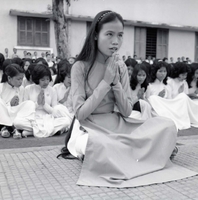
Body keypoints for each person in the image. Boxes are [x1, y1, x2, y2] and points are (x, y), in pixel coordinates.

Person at [67, 10, 196, 188]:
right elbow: (80, 114)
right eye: (109, 34)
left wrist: (116, 82)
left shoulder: (119, 65)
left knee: (167, 125)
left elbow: (127, 111)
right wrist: (105, 82)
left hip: (117, 123)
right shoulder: (80, 67)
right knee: (102, 144)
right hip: (88, 127)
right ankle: (148, 153)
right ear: (96, 35)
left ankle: (137, 152)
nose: (115, 41)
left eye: (120, 35)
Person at [15, 64, 71, 138]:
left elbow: (54, 111)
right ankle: (50, 131)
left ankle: (31, 131)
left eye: (47, 79)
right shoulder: (28, 89)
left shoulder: (52, 90)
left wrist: (44, 104)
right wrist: (37, 103)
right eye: (43, 80)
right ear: (37, 79)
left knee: (66, 121)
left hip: (48, 118)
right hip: (33, 118)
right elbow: (25, 110)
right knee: (17, 122)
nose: (46, 82)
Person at [146, 61, 198, 130]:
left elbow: (170, 101)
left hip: (169, 107)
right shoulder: (150, 85)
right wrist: (158, 98)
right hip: (156, 109)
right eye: (160, 71)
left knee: (183, 97)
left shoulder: (166, 85)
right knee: (153, 98)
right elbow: (148, 100)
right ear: (155, 72)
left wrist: (180, 94)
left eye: (164, 71)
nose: (163, 74)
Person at [0, 64, 35, 138]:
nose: (21, 82)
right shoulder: (1, 87)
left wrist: (16, 105)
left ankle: (10, 128)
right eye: (18, 79)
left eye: (22, 79)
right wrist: (10, 104)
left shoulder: (21, 88)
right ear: (9, 78)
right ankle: (9, 128)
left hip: (16, 114)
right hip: (4, 113)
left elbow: (22, 105)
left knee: (30, 103)